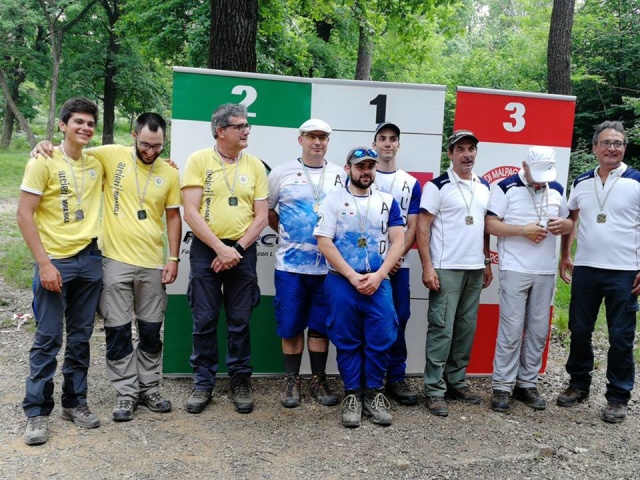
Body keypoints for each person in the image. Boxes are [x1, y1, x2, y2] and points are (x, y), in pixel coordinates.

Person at [31, 114, 182, 422]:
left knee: (151, 331)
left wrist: (173, 257)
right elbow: (72, 151)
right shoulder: (110, 154)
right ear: (133, 136)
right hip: (113, 260)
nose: (150, 151)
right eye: (144, 144)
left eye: (157, 146)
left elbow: (173, 217)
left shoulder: (168, 172)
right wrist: (43, 145)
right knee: (117, 331)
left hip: (152, 262)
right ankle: (126, 393)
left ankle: (149, 388)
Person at [18, 97, 103, 445]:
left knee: (81, 337)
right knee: (48, 337)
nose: (84, 128)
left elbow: (141, 153)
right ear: (62, 125)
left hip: (90, 258)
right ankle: (36, 412)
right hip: (55, 261)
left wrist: (166, 159)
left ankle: (75, 402)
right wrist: (44, 263)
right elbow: (24, 215)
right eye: (78, 122)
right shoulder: (43, 161)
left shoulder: (97, 161)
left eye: (90, 124)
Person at [182, 103, 268, 415]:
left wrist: (237, 251)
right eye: (240, 126)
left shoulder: (255, 165)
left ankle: (240, 380)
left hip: (243, 251)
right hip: (207, 249)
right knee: (204, 319)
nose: (247, 131)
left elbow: (261, 218)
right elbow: (190, 211)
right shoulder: (198, 160)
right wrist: (220, 249)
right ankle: (203, 381)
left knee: (240, 320)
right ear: (221, 131)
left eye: (247, 126)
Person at [314, 146, 405, 428]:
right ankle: (352, 394)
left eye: (370, 166)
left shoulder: (388, 201)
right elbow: (324, 241)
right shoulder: (333, 200)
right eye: (360, 166)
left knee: (381, 337)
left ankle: (374, 394)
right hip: (343, 281)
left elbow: (398, 241)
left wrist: (378, 275)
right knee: (347, 339)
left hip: (379, 280)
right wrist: (353, 276)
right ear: (348, 169)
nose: (366, 172)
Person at [557, 121, 640, 424]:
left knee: (620, 336)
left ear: (624, 148)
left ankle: (618, 397)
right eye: (606, 143)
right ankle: (578, 384)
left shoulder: (636, 181)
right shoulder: (580, 181)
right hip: (587, 268)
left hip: (624, 271)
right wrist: (566, 255)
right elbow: (570, 219)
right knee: (579, 330)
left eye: (618, 143)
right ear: (594, 148)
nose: (612, 148)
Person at [485, 146, 573, 413]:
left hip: (545, 270)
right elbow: (490, 224)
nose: (539, 180)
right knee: (511, 330)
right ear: (524, 165)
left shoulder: (556, 187)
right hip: (515, 268)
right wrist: (522, 230)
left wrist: (566, 228)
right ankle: (502, 386)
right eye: (535, 174)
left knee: (538, 330)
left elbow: (569, 222)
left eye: (544, 174)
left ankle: (527, 383)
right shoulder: (506, 187)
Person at [268, 119, 345, 408]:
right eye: (312, 136)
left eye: (323, 137)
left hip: (328, 268)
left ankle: (318, 378)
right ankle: (292, 380)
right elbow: (269, 211)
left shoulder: (340, 174)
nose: (317, 142)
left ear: (328, 141)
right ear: (300, 139)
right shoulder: (280, 173)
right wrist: (288, 234)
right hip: (290, 267)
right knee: (290, 326)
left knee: (320, 327)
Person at [417, 129, 493, 417]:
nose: (467, 154)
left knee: (465, 329)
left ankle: (457, 381)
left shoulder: (484, 185)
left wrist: (486, 261)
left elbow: (484, 227)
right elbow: (423, 228)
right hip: (445, 267)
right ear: (450, 154)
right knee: (441, 329)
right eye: (460, 149)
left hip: (474, 268)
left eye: (471, 149)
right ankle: (434, 389)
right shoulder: (437, 186)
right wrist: (427, 266)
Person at [371, 122, 422, 406]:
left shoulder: (411, 182)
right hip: (366, 264)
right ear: (375, 143)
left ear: (399, 145)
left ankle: (396, 377)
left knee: (399, 318)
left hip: (399, 264)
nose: (387, 144)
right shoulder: (363, 173)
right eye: (382, 139)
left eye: (393, 139)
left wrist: (396, 256)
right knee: (368, 320)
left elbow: (413, 226)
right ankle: (369, 377)